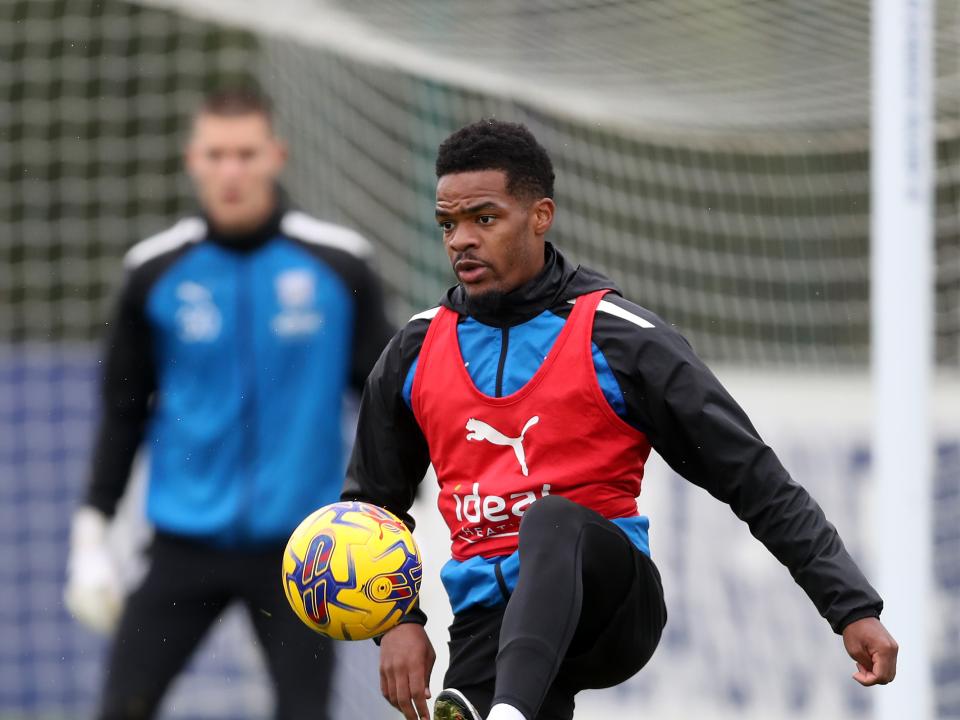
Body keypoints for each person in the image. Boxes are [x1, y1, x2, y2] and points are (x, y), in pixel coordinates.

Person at [341, 119, 899, 720]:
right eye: (448, 224)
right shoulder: (415, 351)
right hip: (490, 624)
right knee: (505, 688)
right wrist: (397, 623)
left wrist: (851, 606)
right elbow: (370, 506)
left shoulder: (620, 339)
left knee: (551, 521)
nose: (461, 241)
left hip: (610, 604)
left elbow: (754, 478)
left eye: (484, 218)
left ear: (540, 215)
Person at [63, 87, 393, 719]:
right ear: (193, 159)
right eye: (217, 155)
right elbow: (122, 413)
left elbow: (386, 408)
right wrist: (90, 539)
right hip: (182, 542)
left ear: (277, 155)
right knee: (121, 707)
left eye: (246, 154)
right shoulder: (153, 271)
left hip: (304, 552)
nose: (231, 171)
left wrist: (418, 515)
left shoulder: (340, 266)